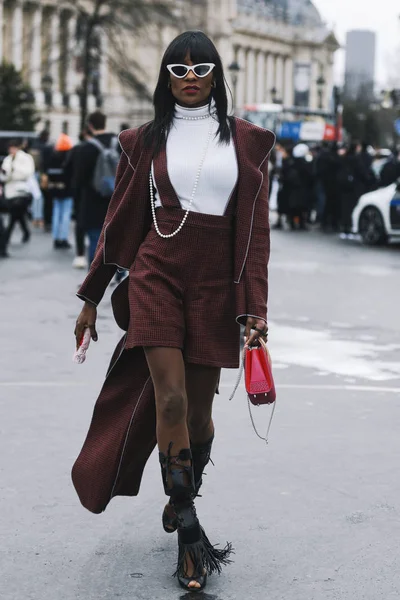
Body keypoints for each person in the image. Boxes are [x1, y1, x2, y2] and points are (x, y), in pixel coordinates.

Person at [72, 30, 274, 593]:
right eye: (178, 69)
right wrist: (91, 296)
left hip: (216, 282)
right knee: (172, 396)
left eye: (200, 66)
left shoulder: (250, 143)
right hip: (156, 270)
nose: (189, 77)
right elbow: (119, 223)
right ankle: (188, 529)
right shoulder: (142, 142)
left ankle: (182, 487)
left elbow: (255, 235)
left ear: (216, 74)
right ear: (166, 77)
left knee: (203, 411)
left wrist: (254, 307)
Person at [71, 111, 118, 266]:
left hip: (92, 201)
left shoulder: (85, 149)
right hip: (116, 201)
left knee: (94, 240)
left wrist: (77, 206)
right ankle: (119, 274)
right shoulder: (119, 144)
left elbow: (78, 180)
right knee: (117, 239)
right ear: (105, 123)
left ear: (90, 126)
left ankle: (94, 280)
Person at [1, 139, 35, 244]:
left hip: (21, 191)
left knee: (14, 214)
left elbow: (27, 173)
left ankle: (5, 238)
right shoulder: (8, 159)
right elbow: (3, 176)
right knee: (18, 215)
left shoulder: (25, 158)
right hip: (10, 191)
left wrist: (13, 172)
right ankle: (25, 232)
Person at [44, 133, 74, 249]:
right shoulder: (69, 157)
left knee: (56, 213)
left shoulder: (53, 156)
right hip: (67, 189)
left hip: (55, 188)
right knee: (66, 214)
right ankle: (63, 238)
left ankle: (56, 238)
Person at [68, 127, 92, 269]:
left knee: (80, 223)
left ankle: (80, 254)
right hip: (99, 193)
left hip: (80, 191)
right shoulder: (105, 147)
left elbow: (68, 168)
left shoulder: (77, 150)